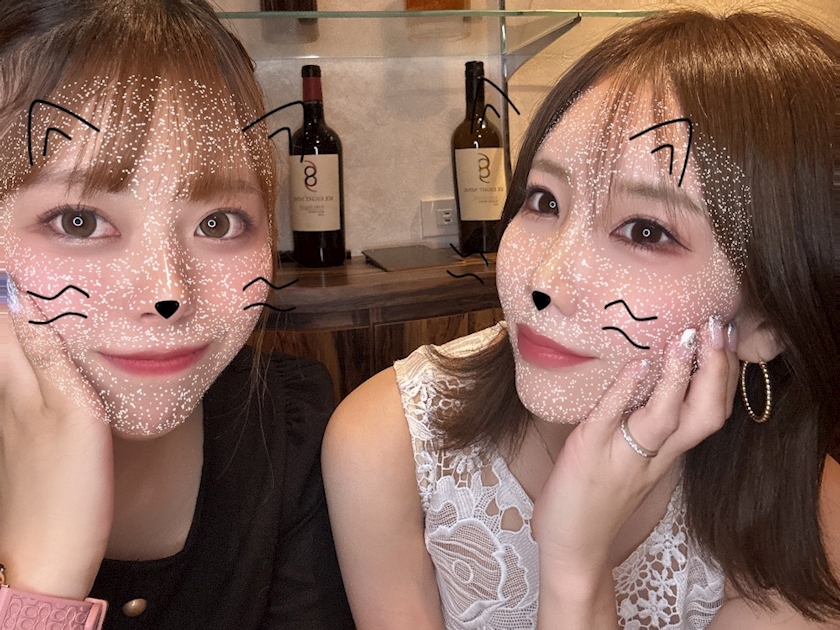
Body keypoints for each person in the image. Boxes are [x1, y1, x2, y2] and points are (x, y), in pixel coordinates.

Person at [323, 10, 840, 629]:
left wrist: (576, 562)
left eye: (645, 231)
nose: (544, 282)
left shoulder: (806, 513)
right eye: (544, 200)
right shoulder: (386, 445)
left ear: (767, 324)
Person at [0, 1, 354, 628]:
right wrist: (44, 582)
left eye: (218, 223)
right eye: (78, 221)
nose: (169, 295)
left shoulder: (289, 427)